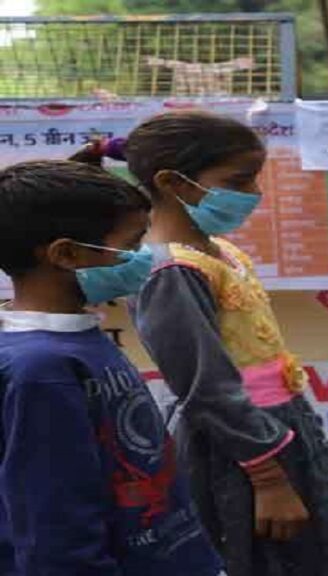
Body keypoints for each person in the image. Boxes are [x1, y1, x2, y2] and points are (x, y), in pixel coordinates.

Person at [86, 112, 328, 576]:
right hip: (235, 450)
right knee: (254, 558)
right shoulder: (169, 271)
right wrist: (267, 476)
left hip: (275, 429)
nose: (254, 192)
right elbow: (206, 385)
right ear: (172, 182)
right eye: (238, 180)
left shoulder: (217, 250)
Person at [0, 160, 223, 575]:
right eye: (134, 242)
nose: (146, 255)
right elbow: (54, 523)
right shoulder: (41, 370)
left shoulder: (76, 337)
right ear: (65, 254)